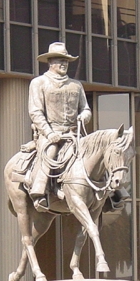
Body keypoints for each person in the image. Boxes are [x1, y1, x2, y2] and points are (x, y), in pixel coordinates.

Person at [27, 42, 91, 212]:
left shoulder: (76, 85)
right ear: (50, 62)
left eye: (66, 61)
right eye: (60, 60)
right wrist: (49, 133)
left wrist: (84, 116)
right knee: (50, 152)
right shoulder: (39, 83)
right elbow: (35, 112)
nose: (64, 64)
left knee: (96, 152)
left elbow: (85, 109)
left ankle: (113, 193)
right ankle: (39, 192)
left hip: (74, 134)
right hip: (50, 134)